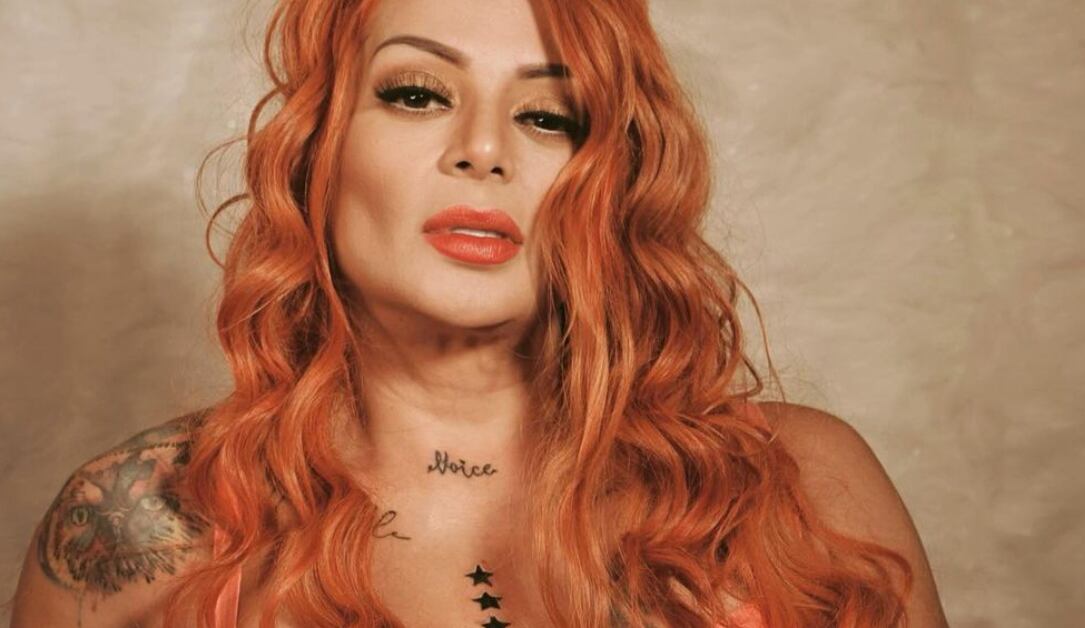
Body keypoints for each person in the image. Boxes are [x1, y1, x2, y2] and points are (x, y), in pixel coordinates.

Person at [10, 0, 950, 626]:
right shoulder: (135, 527)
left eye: (549, 116)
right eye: (418, 95)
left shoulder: (800, 491)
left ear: (613, 181)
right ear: (317, 150)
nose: (486, 149)